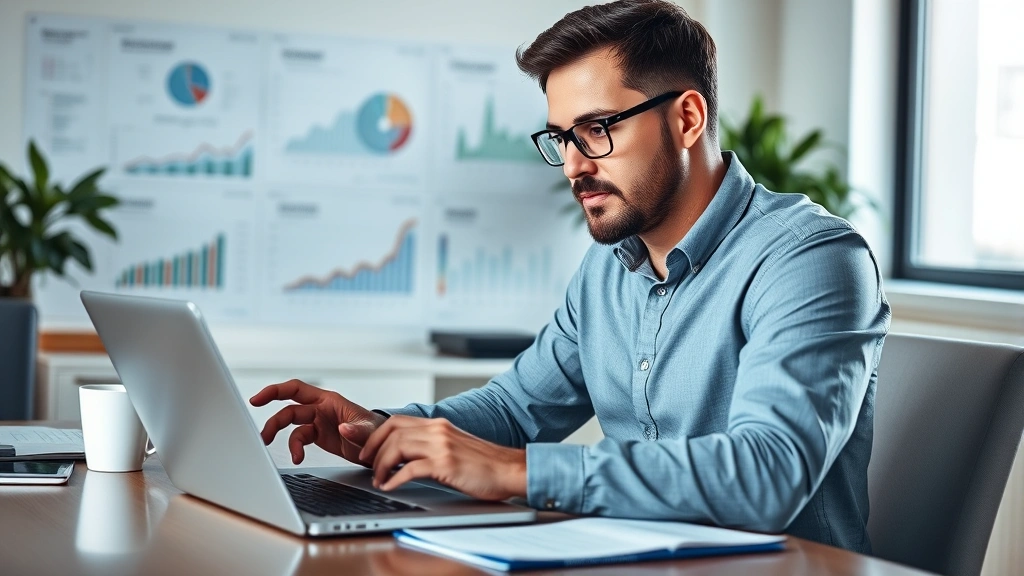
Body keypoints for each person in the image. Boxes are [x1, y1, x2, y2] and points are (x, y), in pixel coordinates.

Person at [251, 0, 890, 553]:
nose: (573, 166)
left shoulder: (810, 259)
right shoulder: (607, 271)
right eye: (561, 138)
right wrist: (383, 430)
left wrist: (515, 472)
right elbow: (514, 410)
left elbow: (766, 475)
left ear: (687, 119)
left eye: (597, 130)